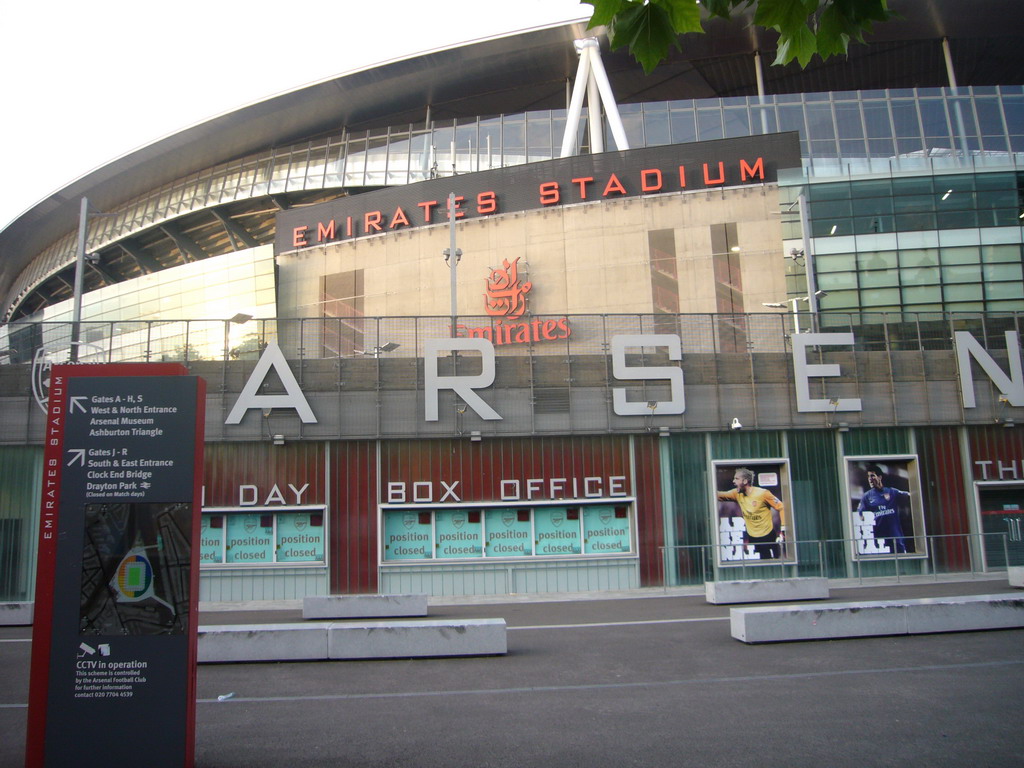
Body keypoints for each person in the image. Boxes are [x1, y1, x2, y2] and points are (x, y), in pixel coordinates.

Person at [717, 467, 786, 559]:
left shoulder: (763, 493)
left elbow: (781, 507)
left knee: (773, 561)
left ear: (745, 481)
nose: (734, 481)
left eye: (737, 479)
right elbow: (718, 495)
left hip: (768, 536)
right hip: (753, 537)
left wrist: (783, 528)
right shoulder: (736, 494)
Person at [857, 464, 910, 554]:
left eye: (872, 476)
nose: (870, 479)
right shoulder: (866, 497)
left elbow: (910, 495)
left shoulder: (892, 491)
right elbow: (860, 515)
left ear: (880, 477)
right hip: (880, 540)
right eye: (868, 476)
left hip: (895, 538)